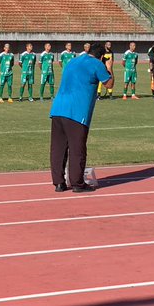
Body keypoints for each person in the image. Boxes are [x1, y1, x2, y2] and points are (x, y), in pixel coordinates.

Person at [49, 41, 113, 193]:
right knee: (77, 149)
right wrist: (109, 67)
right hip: (77, 112)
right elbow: (109, 84)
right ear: (102, 56)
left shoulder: (73, 60)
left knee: (58, 148)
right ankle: (78, 183)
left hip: (58, 108)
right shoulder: (97, 64)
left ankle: (59, 182)